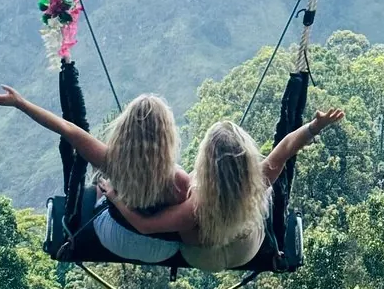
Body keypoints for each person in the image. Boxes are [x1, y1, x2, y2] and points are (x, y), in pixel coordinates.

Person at [101, 106, 345, 271]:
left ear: (206, 164)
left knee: (188, 186)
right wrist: (314, 126)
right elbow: (287, 147)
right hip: (244, 250)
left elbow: (145, 226)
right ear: (244, 162)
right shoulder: (255, 181)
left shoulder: (193, 206)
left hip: (203, 257)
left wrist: (113, 196)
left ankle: (202, 215)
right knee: (263, 193)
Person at [0, 87, 188, 263]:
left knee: (102, 185)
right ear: (167, 136)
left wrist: (20, 103)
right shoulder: (178, 179)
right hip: (160, 249)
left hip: (114, 238)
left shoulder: (110, 161)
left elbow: (67, 129)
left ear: (125, 130)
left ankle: (112, 194)